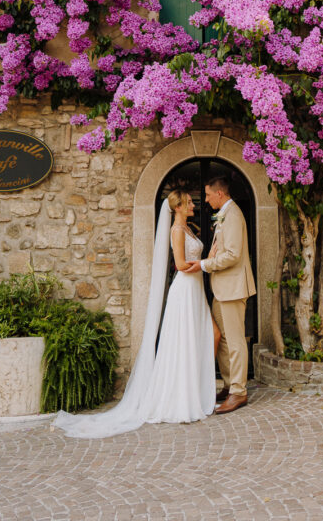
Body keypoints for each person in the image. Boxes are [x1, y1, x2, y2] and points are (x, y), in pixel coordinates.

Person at [55, 189, 216, 438]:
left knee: (202, 336)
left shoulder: (188, 228)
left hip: (195, 292)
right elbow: (181, 265)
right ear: (178, 207)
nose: (193, 205)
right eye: (189, 203)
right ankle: (181, 399)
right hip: (184, 291)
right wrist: (205, 265)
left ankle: (197, 391)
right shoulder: (176, 231)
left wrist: (210, 257)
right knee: (183, 342)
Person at [184, 175, 256, 414]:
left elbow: (233, 255)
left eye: (207, 195)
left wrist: (205, 264)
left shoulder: (233, 215)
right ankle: (228, 384)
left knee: (235, 341)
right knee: (224, 339)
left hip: (233, 288)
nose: (205, 199)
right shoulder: (225, 213)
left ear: (220, 194)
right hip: (222, 288)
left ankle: (239, 392)